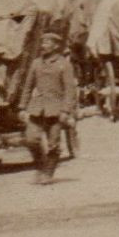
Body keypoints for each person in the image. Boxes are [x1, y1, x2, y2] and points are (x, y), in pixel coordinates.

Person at [20, 31, 78, 185]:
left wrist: (66, 111)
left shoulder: (64, 65)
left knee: (53, 144)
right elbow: (27, 87)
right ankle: (40, 166)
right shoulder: (36, 63)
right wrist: (22, 107)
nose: (43, 46)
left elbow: (69, 90)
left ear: (56, 46)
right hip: (37, 109)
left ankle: (48, 173)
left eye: (47, 43)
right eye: (42, 43)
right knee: (31, 139)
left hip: (56, 110)